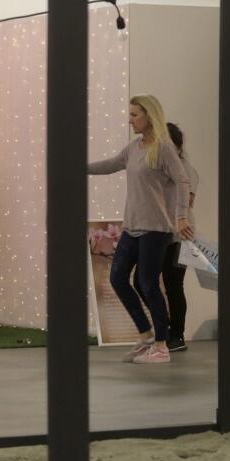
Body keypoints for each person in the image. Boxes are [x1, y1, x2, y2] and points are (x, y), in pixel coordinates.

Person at [88, 95, 192, 364]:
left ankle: (161, 345)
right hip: (132, 226)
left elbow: (182, 181)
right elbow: (112, 164)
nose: (130, 119)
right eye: (130, 114)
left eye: (135, 115)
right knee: (118, 279)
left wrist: (181, 217)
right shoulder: (134, 148)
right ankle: (146, 337)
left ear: (149, 116)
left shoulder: (164, 148)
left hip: (156, 229)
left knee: (147, 283)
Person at [161, 122, 198, 352]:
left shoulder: (186, 169)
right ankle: (165, 329)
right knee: (148, 283)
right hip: (161, 232)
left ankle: (177, 335)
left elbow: (188, 202)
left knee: (174, 285)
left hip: (180, 235)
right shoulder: (159, 167)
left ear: (176, 145)